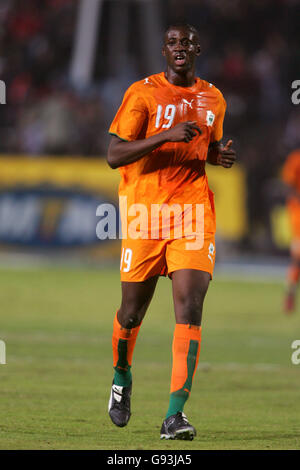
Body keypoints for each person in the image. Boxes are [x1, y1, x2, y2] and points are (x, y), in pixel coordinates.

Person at [106, 23, 236, 440]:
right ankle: (122, 374)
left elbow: (205, 146)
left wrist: (219, 155)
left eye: (188, 42)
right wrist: (165, 135)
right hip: (145, 214)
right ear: (164, 50)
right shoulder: (142, 93)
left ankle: (174, 416)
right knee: (131, 313)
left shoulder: (214, 97)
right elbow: (114, 154)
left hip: (193, 212)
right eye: (174, 42)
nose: (181, 47)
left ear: (198, 48)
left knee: (191, 306)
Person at [282, 149, 300, 313]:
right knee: (297, 259)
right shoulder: (295, 159)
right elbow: (288, 185)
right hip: (298, 216)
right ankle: (290, 293)